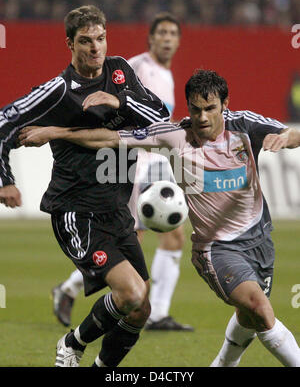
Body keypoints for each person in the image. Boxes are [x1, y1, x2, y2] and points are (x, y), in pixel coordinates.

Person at [21, 69, 300, 367]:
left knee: (249, 316)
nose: (202, 117)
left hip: (259, 241)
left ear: (225, 104)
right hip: (216, 250)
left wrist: (285, 139)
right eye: (195, 109)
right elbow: (110, 139)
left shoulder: (246, 126)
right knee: (258, 306)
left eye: (210, 109)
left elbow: (292, 133)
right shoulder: (174, 135)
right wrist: (57, 132)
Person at [0, 5, 170, 367]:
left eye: (101, 38)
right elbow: (3, 123)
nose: (96, 48)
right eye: (85, 41)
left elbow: (161, 117)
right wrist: (5, 180)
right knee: (131, 294)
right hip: (77, 211)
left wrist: (118, 100)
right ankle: (71, 343)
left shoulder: (120, 71)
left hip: (117, 209)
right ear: (69, 44)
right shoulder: (57, 92)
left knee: (140, 309)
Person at [52, 11, 193, 331]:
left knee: (173, 233)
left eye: (173, 34)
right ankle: (71, 288)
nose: (168, 39)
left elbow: (156, 120)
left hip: (150, 160)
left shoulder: (166, 74)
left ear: (179, 41)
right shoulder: (135, 66)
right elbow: (114, 107)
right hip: (125, 162)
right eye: (162, 33)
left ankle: (157, 312)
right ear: (151, 38)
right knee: (131, 237)